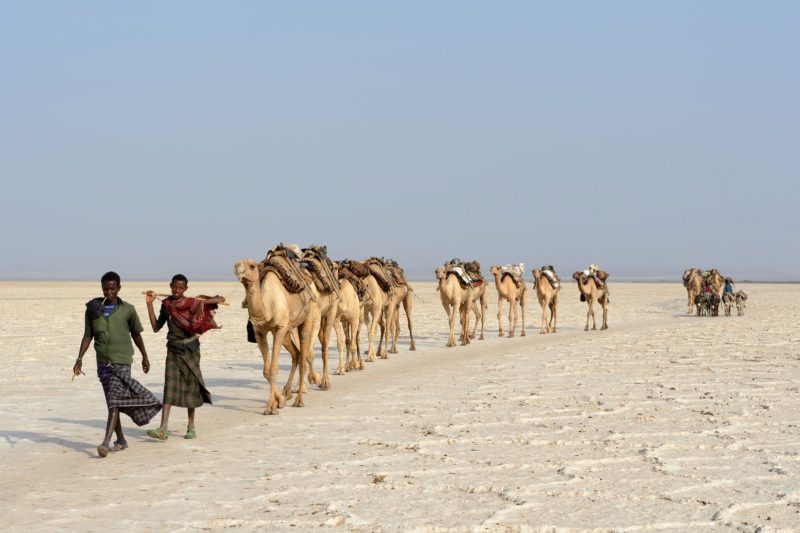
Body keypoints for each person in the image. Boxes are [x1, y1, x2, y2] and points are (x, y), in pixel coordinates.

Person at [73, 271, 161, 458]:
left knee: (114, 403)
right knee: (113, 403)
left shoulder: (128, 310)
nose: (109, 292)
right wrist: (79, 358)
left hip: (122, 362)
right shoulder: (92, 310)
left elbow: (136, 334)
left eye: (112, 288)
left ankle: (105, 443)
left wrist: (145, 356)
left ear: (119, 288)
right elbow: (88, 335)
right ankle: (120, 440)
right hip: (103, 363)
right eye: (106, 288)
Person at [145, 275, 224, 441]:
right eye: (174, 287)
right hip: (173, 350)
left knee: (191, 387)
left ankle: (191, 426)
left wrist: (203, 302)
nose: (177, 290)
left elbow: (221, 298)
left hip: (190, 349)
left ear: (185, 289)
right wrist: (149, 305)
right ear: (170, 286)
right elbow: (155, 327)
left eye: (181, 288)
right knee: (169, 386)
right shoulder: (166, 305)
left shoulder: (193, 303)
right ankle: (163, 428)